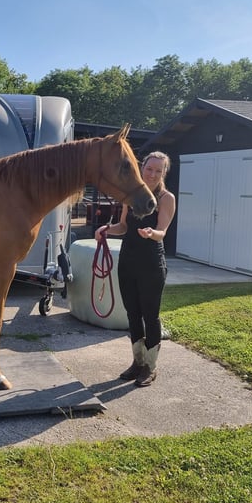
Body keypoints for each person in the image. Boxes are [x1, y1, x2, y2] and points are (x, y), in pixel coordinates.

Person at [95, 151, 176, 387]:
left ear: (163, 173)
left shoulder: (166, 198)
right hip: (128, 261)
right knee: (132, 314)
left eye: (158, 171)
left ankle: (150, 366)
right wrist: (106, 229)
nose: (152, 174)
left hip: (151, 264)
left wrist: (152, 234)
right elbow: (123, 226)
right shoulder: (131, 195)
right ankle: (137, 362)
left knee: (150, 316)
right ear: (142, 168)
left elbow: (162, 231)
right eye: (149, 169)